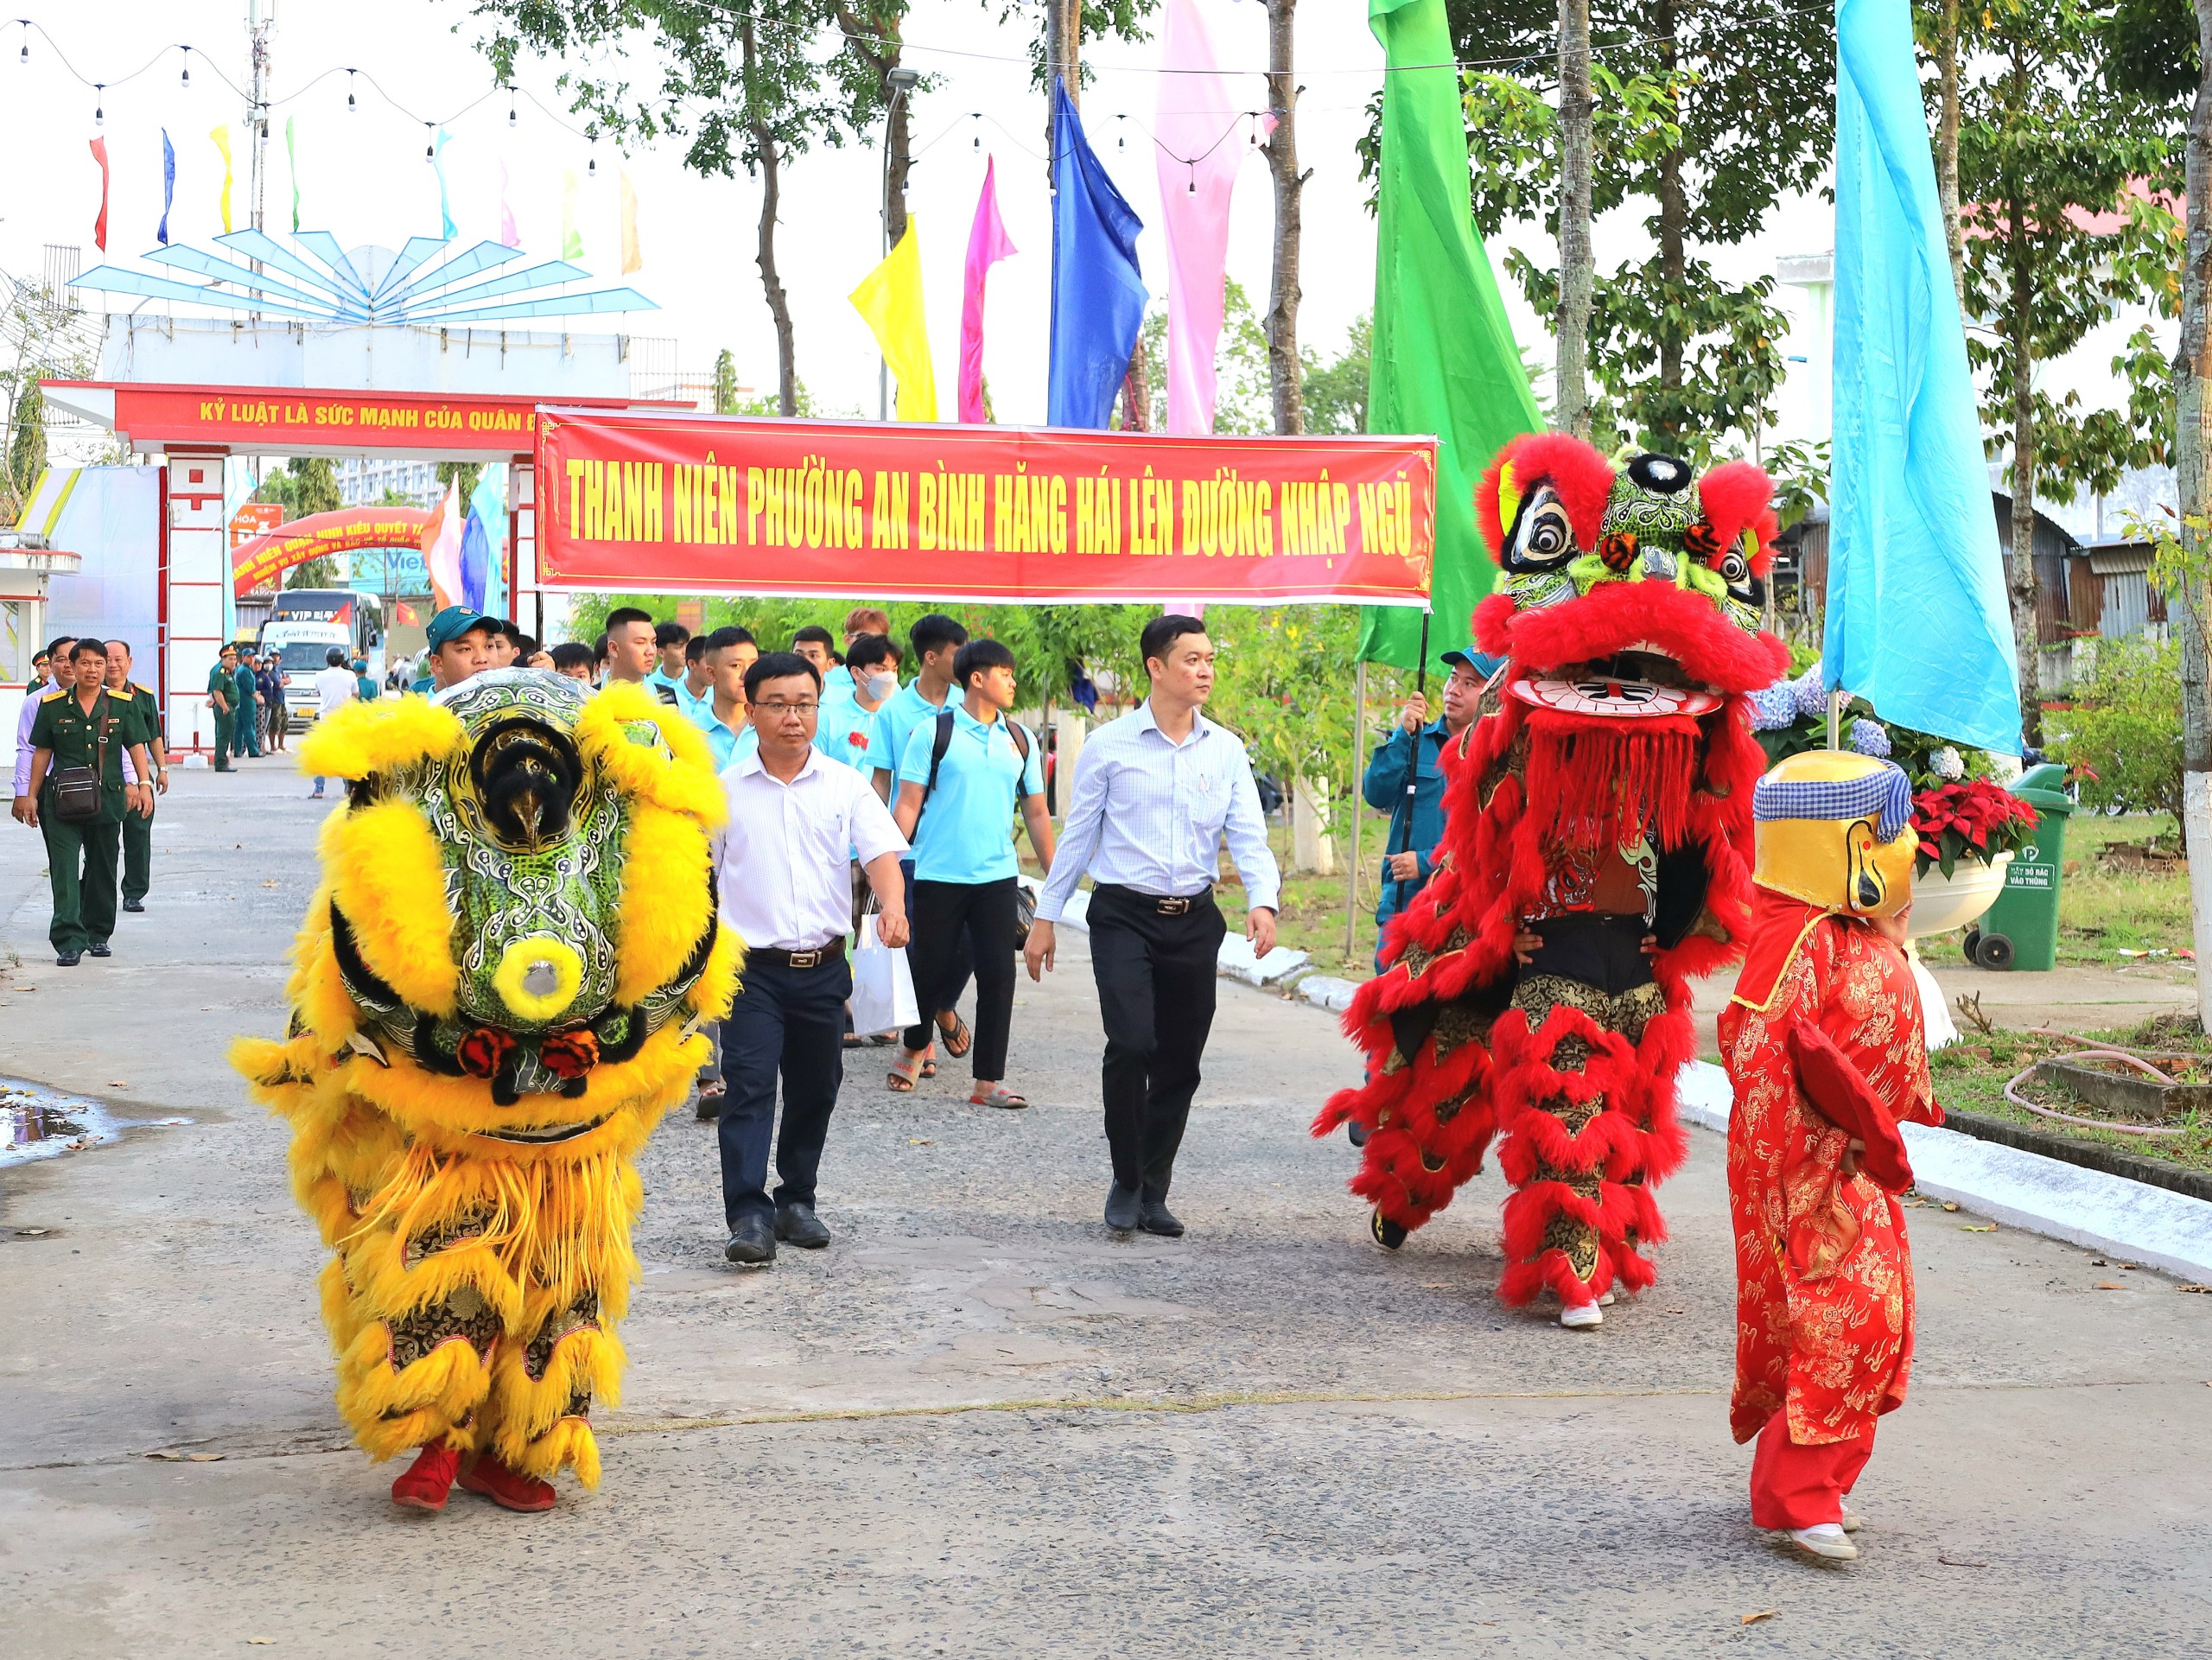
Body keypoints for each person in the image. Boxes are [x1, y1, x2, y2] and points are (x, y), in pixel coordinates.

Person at [232, 670, 739, 1515]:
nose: (531, 801)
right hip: (456, 1114)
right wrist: (442, 1039)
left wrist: (615, 1033)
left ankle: (520, 1443)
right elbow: (365, 954)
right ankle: (438, 1436)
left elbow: (686, 950)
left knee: (563, 1288)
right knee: (447, 1272)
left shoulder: (627, 809)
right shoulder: (410, 806)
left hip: (575, 1123)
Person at [1316, 434, 1785, 1328]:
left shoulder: (1682, 767)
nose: (1625, 688)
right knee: (1545, 1107)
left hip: (1637, 973)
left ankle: (1604, 1245)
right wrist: (1502, 927)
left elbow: (1709, 853)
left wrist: (1677, 927)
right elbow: (1483, 843)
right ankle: (1566, 1268)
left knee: (1630, 1126)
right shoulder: (1522, 747)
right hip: (1552, 965)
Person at [1720, 751, 1941, 1564]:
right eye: (1889, 836)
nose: (1907, 849)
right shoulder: (1795, 935)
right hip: (1811, 1169)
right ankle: (1797, 1496)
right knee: (1843, 1321)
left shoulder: (1842, 926)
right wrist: (1814, 1162)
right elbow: (1761, 1048)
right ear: (1844, 843)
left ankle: (1821, 1482)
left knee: (1878, 1316)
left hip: (1850, 1162)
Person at [1026, 615, 1280, 1237]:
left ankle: (1155, 1186)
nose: (1205, 670)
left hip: (1193, 919)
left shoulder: (1224, 749)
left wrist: (1263, 899)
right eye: (1191, 659)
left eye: (1210, 659)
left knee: (1180, 1060)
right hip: (1122, 917)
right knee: (1133, 1042)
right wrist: (1045, 917)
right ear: (1156, 667)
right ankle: (1125, 1177)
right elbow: (1080, 834)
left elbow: (1247, 831)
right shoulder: (1111, 745)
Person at [712, 651, 910, 1265]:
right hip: (750, 971)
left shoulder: (845, 784)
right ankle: (748, 1214)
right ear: (752, 710)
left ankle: (796, 1198)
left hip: (823, 966)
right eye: (778, 704)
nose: (792, 718)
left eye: (803, 704)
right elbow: (701, 875)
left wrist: (894, 906)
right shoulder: (723, 793)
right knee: (747, 1086)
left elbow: (880, 852)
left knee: (816, 1085)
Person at [889, 639, 1054, 1110]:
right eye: (1006, 673)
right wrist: (888, 865)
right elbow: (907, 803)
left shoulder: (1019, 739)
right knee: (928, 969)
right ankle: (916, 1042)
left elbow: (1038, 813)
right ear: (978, 678)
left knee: (999, 976)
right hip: (937, 873)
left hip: (996, 877)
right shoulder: (932, 733)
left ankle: (988, 1082)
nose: (1014, 681)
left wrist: (1056, 878)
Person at [869, 614, 972, 1072]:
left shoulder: (973, 704)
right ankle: (921, 1038)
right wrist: (873, 842)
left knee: (968, 940)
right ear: (932, 658)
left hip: (964, 846)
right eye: (957, 653)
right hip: (911, 847)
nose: (968, 662)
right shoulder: (893, 711)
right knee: (917, 944)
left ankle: (943, 1004)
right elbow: (881, 779)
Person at [22, 639, 156, 966]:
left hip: (108, 800)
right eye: (85, 663)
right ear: (73, 666)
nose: (93, 670)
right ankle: (69, 940)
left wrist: (144, 783)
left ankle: (98, 935)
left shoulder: (122, 704)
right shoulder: (52, 706)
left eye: (99, 664)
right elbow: (41, 752)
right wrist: (29, 795)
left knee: (102, 868)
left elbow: (137, 745)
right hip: (62, 802)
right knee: (64, 870)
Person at [1363, 650, 1490, 945]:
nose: (1454, 690)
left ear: (1492, 694)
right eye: (1453, 678)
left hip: (1464, 907)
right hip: (1404, 901)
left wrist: (1426, 861)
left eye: (1470, 684)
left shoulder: (1495, 757)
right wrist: (1402, 736)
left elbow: (1489, 839)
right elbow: (1375, 792)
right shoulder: (1416, 740)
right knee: (1392, 988)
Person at [104, 640, 166, 914]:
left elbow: (153, 735)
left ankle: (134, 892)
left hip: (140, 779)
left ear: (129, 662)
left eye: (119, 659)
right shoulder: (92, 695)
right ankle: (98, 892)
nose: (113, 664)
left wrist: (161, 770)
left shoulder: (142, 697)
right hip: (104, 779)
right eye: (107, 659)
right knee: (102, 839)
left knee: (138, 835)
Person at [818, 632, 900, 773]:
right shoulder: (827, 719)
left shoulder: (900, 719)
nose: (890, 677)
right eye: (881, 669)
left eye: (894, 670)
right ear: (856, 672)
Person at [14, 635, 77, 817]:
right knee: (58, 845)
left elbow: (121, 745)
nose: (68, 665)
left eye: (74, 659)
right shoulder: (36, 701)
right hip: (50, 787)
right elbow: (27, 748)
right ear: (51, 665)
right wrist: (23, 792)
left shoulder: (105, 699)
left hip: (96, 787)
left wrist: (133, 781)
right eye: (61, 659)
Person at [691, 626, 760, 773]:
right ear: (711, 674)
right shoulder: (690, 732)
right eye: (736, 666)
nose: (746, 674)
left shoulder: (771, 729)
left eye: (754, 665)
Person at [308, 648, 359, 798]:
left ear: (327, 659)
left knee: (322, 755)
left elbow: (319, 692)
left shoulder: (319, 676)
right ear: (343, 659)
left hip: (326, 720)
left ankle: (318, 789)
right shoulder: (350, 675)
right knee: (345, 756)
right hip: (345, 720)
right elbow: (356, 693)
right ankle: (348, 789)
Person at [412, 607, 495, 694]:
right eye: (466, 649)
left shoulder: (508, 702)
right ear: (438, 663)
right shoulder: (420, 706)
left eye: (489, 646)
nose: (482, 659)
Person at [605, 607, 678, 704]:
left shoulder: (671, 700)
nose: (651, 651)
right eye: (640, 643)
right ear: (614, 648)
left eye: (653, 642)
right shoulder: (588, 700)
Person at [206, 644, 238, 770]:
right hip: (225, 708)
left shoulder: (226, 671)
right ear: (223, 659)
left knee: (224, 735)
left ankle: (222, 761)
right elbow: (217, 691)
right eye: (230, 659)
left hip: (227, 707)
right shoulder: (221, 671)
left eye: (235, 659)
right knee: (223, 736)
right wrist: (225, 707)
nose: (233, 662)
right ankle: (221, 763)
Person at [674, 632, 715, 723]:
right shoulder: (671, 697)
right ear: (692, 664)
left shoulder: (718, 699)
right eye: (709, 662)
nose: (713, 669)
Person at [645, 620, 690, 698]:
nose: (685, 651)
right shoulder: (650, 685)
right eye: (678, 647)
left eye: (686, 646)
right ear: (661, 652)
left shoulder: (697, 679)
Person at [232, 649, 264, 760]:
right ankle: (253, 750)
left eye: (253, 657)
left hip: (242, 702)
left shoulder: (245, 669)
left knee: (239, 727)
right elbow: (250, 688)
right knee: (249, 726)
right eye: (249, 657)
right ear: (244, 657)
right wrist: (258, 698)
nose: (251, 659)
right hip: (247, 702)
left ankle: (237, 750)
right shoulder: (245, 671)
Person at [258, 651, 289, 753]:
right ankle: (272, 746)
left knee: (284, 724)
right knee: (273, 724)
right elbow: (279, 684)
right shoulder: (269, 673)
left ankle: (281, 745)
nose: (275, 659)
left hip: (281, 700)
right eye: (272, 657)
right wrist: (283, 682)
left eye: (276, 657)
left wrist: (283, 681)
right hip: (273, 701)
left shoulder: (279, 669)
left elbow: (288, 680)